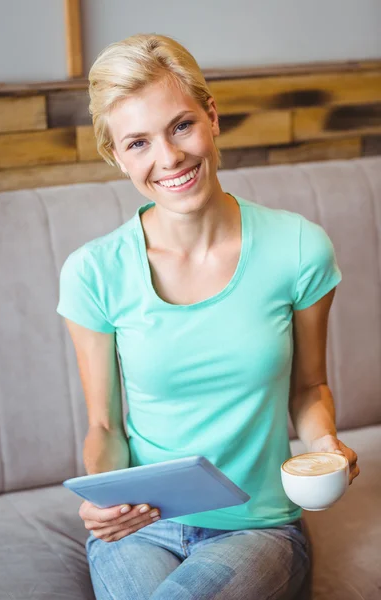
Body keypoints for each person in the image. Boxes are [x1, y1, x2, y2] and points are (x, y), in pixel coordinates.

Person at [56, 33, 360, 600]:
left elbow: (310, 387)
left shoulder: (298, 248)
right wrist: (106, 500)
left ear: (211, 117)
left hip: (258, 528)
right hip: (141, 528)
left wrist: (326, 448)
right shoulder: (92, 272)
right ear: (117, 157)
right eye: (138, 142)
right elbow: (104, 426)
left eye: (180, 126)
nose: (169, 158)